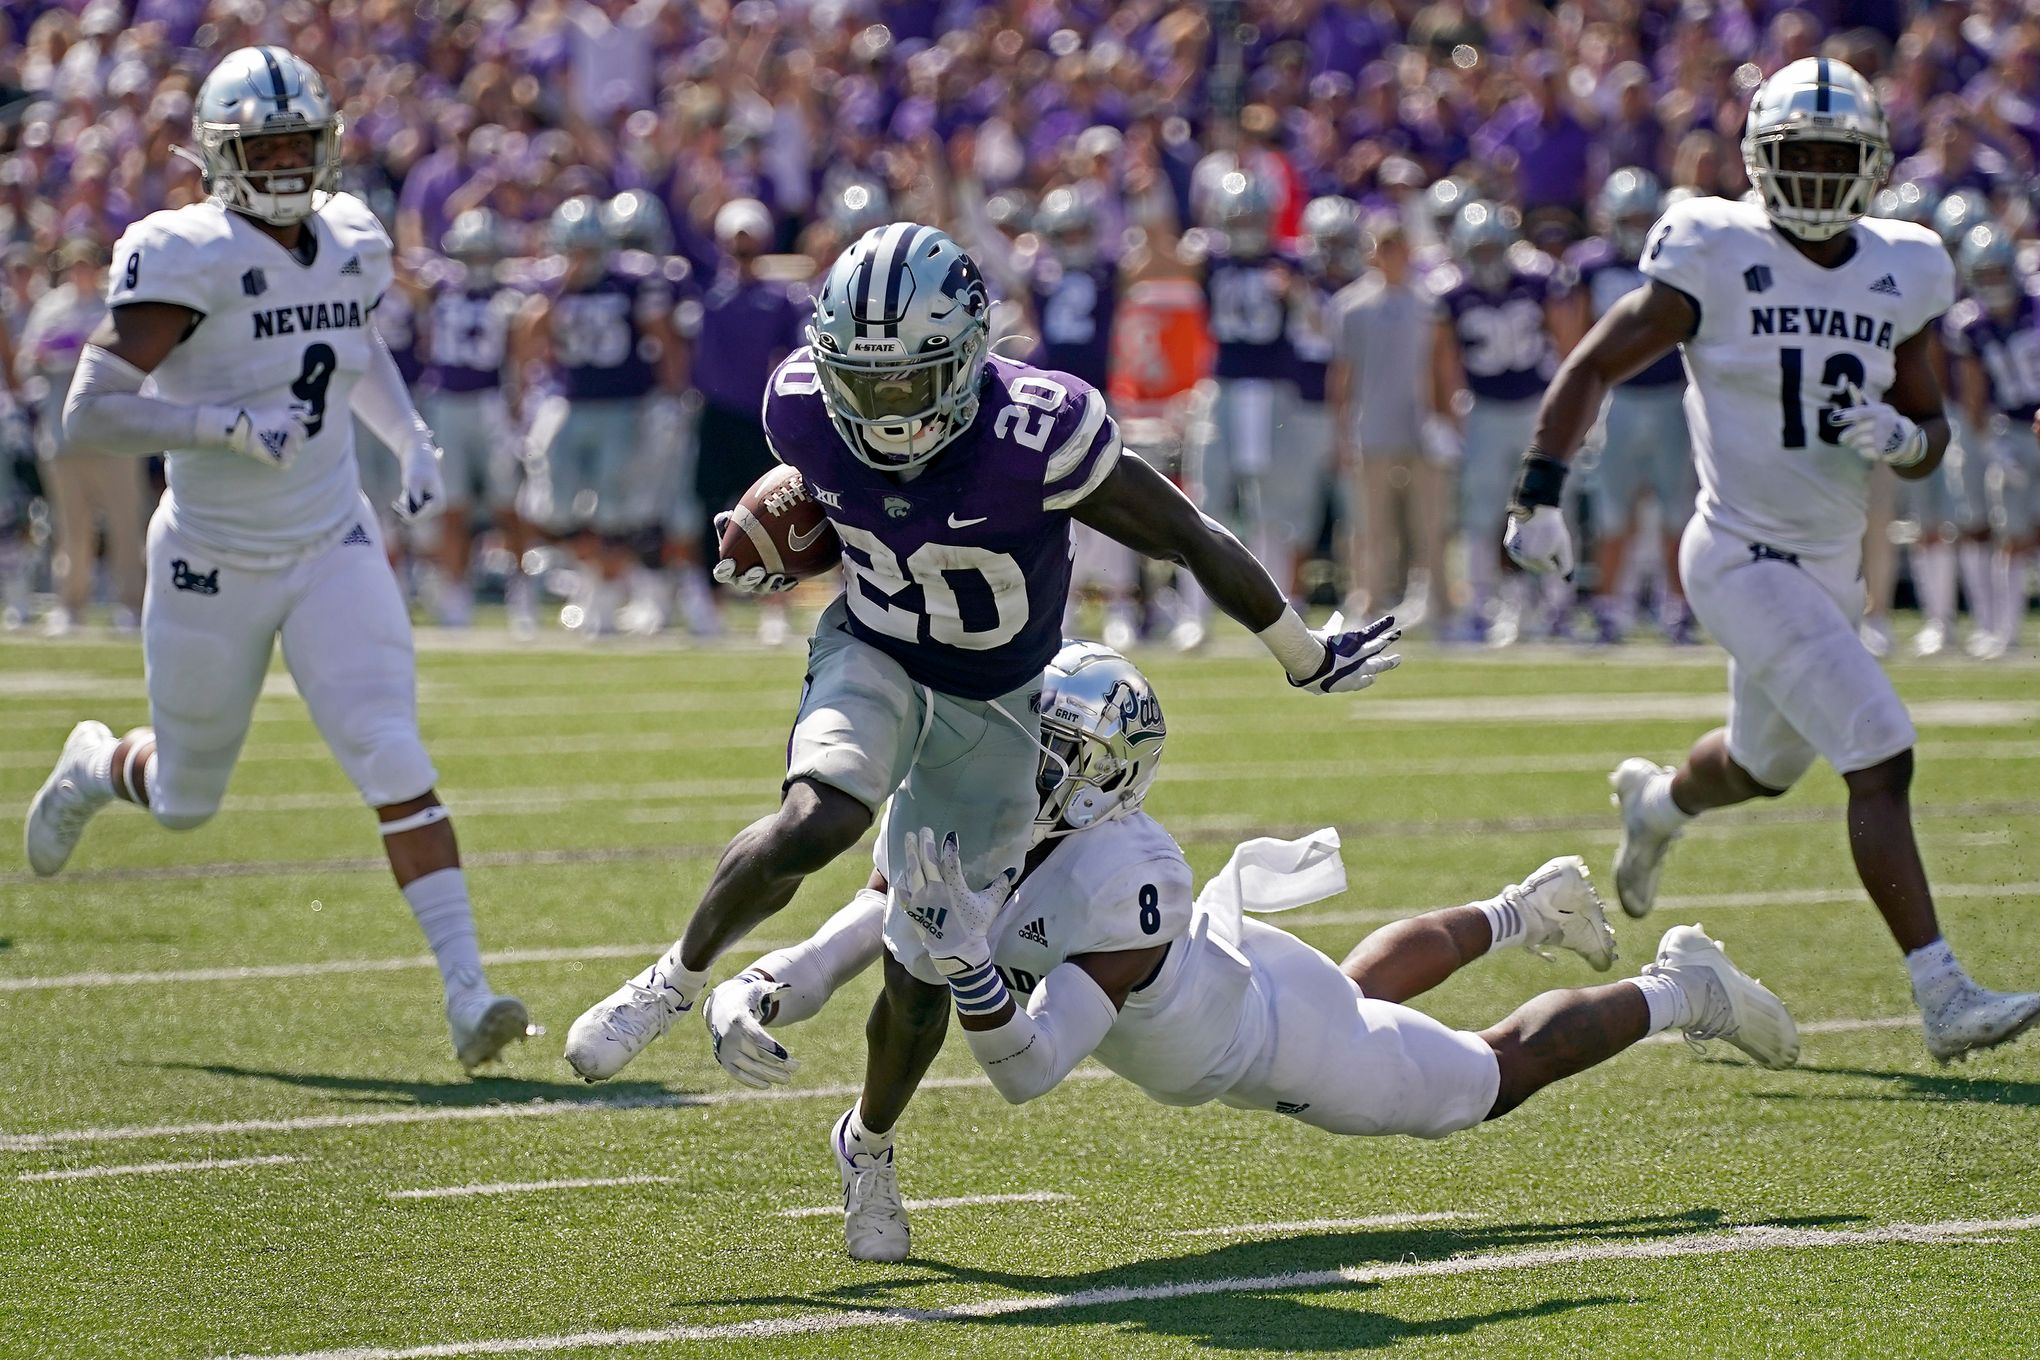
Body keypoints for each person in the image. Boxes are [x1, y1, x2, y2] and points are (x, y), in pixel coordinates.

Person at [563, 222, 1406, 1088]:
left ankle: (870, 1147)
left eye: (910, 383)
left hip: (996, 697)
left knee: (924, 963)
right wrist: (782, 540)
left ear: (966, 356)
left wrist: (1303, 654)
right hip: (874, 644)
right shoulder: (802, 405)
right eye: (866, 383)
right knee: (824, 816)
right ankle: (671, 980)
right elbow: (830, 503)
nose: (887, 410)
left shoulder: (1038, 431)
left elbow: (1187, 535)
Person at [701, 642, 1796, 1262]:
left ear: (1103, 781)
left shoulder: (1116, 879)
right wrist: (756, 984)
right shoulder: (998, 814)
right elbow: (867, 927)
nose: (1025, 764)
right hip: (1233, 980)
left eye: (1056, 754)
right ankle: (1516, 912)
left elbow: (1028, 1070)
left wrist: (971, 968)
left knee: (1479, 1080)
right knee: (1362, 997)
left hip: (1258, 1038)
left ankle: (1678, 987)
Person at [1500, 58, 2040, 1062]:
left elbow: (1931, 433)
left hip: (1828, 568)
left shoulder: (1908, 262)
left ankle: (1656, 804)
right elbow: (1595, 362)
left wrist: (1899, 436)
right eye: (1803, 156)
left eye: (1842, 157)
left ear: (1875, 164)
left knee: (1759, 766)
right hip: (1740, 553)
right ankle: (1943, 991)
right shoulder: (1712, 244)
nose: (1823, 176)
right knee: (1880, 749)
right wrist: (1536, 491)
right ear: (1757, 160)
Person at [23, 46, 530, 1073]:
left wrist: (411, 439)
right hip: (213, 555)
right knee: (185, 798)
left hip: (331, 537)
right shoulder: (184, 253)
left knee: (393, 746)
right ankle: (94, 764)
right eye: (268, 146)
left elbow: (353, 344)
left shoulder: (350, 237)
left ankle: (468, 988)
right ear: (221, 155)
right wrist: (221, 425)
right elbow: (92, 412)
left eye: (302, 142)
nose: (290, 163)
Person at [1431, 200, 1578, 644]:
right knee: (1481, 515)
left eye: (1496, 248)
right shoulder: (1452, 293)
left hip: (1536, 407)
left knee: (1549, 506)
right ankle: (1482, 607)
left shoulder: (1536, 280)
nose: (1489, 259)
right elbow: (1444, 359)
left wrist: (1573, 408)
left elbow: (1568, 343)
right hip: (1484, 411)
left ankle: (1557, 604)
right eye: (1481, 250)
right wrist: (1446, 415)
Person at [1569, 168, 1695, 645]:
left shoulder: (1673, 260)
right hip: (1617, 395)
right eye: (1630, 216)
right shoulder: (1591, 265)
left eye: (1643, 215)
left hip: (1669, 394)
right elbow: (1577, 333)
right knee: (1611, 512)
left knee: (1675, 510)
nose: (1636, 224)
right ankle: (1609, 607)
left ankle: (1677, 608)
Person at [15, 238, 145, 634]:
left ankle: (132, 607)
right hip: (63, 435)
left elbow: (139, 361)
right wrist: (47, 356)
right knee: (70, 528)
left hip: (113, 436)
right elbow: (24, 366)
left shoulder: (116, 304)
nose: (81, 271)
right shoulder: (50, 308)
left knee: (126, 525)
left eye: (87, 264)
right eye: (74, 265)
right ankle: (71, 608)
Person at [1330, 216, 1447, 629]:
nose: (1393, 255)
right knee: (1370, 526)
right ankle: (1367, 600)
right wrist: (1340, 430)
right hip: (1372, 427)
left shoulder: (1427, 301)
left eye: (1399, 246)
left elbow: (1441, 364)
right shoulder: (1352, 306)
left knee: (1428, 523)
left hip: (1420, 428)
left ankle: (1438, 604)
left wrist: (1446, 420)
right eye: (1385, 246)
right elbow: (1342, 375)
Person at [413, 208, 527, 630]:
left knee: (507, 505)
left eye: (485, 254)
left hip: (491, 401)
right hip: (446, 402)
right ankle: (455, 593)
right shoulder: (440, 287)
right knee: (452, 507)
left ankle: (521, 590)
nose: (477, 263)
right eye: (471, 254)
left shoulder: (510, 295)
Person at [1944, 222, 2040, 658]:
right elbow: (1974, 397)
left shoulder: (2035, 310)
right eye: (1985, 275)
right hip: (2013, 431)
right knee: (2012, 532)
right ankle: (2006, 630)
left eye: (1999, 273)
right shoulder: (1970, 324)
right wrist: (1991, 445)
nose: (1994, 284)